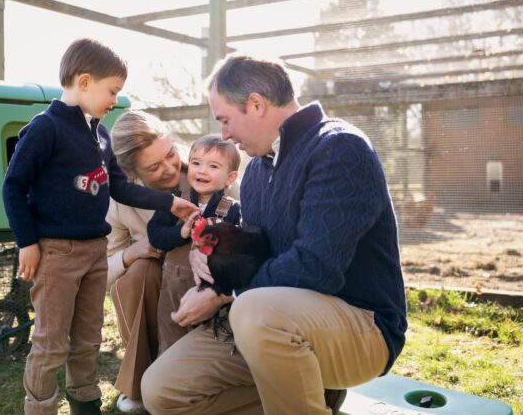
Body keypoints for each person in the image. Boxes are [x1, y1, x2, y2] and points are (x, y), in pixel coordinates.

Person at [141, 53, 407, 415]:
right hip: (272, 321)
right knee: (161, 391)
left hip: (363, 326)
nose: (224, 134)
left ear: (256, 104)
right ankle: (311, 394)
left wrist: (224, 295)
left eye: (225, 120)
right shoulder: (255, 173)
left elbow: (316, 268)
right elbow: (258, 254)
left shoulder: (338, 147)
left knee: (255, 310)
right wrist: (212, 256)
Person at [2, 38, 196, 415]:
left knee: (88, 339)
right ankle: (39, 407)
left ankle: (85, 403)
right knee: (51, 342)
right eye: (112, 91)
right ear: (85, 81)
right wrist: (27, 242)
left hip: (94, 250)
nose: (114, 100)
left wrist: (169, 202)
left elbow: (119, 187)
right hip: (57, 252)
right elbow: (13, 186)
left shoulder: (101, 135)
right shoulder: (45, 129)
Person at [106, 116, 241, 413]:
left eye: (171, 155)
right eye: (154, 167)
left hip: (207, 274)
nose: (169, 168)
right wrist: (133, 253)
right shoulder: (117, 200)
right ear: (130, 173)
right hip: (160, 272)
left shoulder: (208, 172)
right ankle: (142, 378)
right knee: (140, 272)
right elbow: (102, 270)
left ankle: (204, 371)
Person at [147, 134, 241, 354]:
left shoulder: (233, 209)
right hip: (173, 290)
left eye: (213, 166)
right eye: (196, 163)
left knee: (209, 346)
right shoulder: (175, 201)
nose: (202, 171)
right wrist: (180, 232)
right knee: (170, 340)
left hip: (209, 293)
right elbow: (155, 235)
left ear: (230, 177)